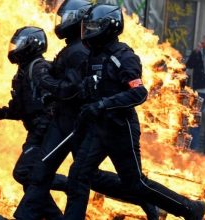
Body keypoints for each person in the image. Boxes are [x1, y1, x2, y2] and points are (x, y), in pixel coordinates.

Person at [13, 1, 159, 219]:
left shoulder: (80, 51)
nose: (61, 23)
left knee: (74, 176)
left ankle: (143, 197)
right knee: (60, 174)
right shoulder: (74, 49)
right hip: (68, 121)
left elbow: (73, 90)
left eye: (65, 18)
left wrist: (47, 82)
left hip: (75, 122)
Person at [63, 4, 205, 220]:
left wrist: (102, 104)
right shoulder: (92, 57)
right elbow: (89, 86)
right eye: (87, 26)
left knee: (135, 183)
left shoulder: (124, 56)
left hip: (120, 128)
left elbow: (139, 93)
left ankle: (189, 209)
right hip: (98, 128)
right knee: (79, 176)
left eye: (93, 26)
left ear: (109, 27)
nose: (89, 31)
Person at [0, 26, 66, 220]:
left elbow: (53, 99)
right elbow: (24, 107)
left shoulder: (39, 68)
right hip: (36, 131)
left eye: (19, 44)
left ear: (31, 45)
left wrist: (44, 127)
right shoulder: (22, 73)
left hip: (46, 132)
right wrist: (5, 113)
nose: (14, 48)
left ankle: (73, 183)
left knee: (26, 173)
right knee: (29, 178)